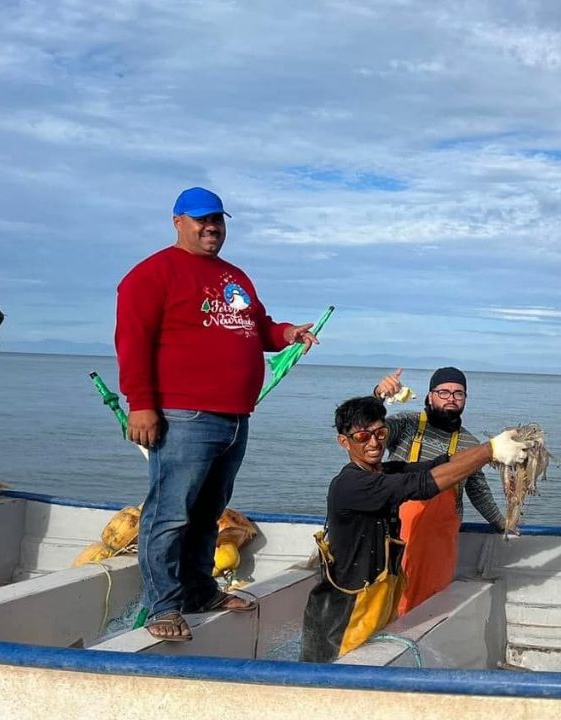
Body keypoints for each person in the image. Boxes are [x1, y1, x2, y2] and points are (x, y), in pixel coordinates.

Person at [115, 187, 319, 642]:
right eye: (202, 220)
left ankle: (199, 591)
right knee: (170, 514)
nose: (211, 228)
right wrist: (140, 404)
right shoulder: (150, 275)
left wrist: (286, 332)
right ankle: (162, 605)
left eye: (218, 221)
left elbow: (255, 326)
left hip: (234, 417)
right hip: (183, 416)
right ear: (178, 222)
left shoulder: (234, 276)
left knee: (208, 513)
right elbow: (132, 343)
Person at [299, 395, 533, 662]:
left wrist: (491, 452)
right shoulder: (352, 485)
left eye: (380, 433)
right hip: (339, 619)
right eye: (363, 437)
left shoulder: (384, 472)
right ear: (344, 442)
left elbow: (440, 465)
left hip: (370, 608)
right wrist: (489, 450)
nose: (374, 443)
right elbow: (423, 485)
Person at [371, 366, 507, 615]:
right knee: (386, 602)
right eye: (443, 392)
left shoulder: (470, 444)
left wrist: (502, 524)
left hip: (438, 544)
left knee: (430, 609)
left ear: (465, 399)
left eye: (458, 393)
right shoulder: (405, 424)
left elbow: (478, 491)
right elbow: (370, 433)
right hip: (394, 535)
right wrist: (377, 396)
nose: (451, 398)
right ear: (430, 395)